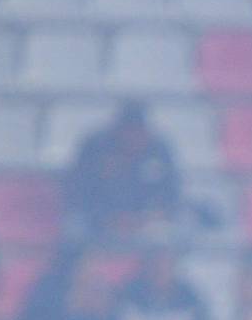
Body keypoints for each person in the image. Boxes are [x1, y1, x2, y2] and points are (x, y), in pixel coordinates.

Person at [63, 101, 180, 238]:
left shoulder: (159, 150)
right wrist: (106, 218)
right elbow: (79, 190)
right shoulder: (95, 148)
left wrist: (152, 216)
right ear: (117, 131)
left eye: (138, 134)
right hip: (97, 220)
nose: (133, 141)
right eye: (128, 133)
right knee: (74, 231)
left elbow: (171, 191)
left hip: (147, 223)